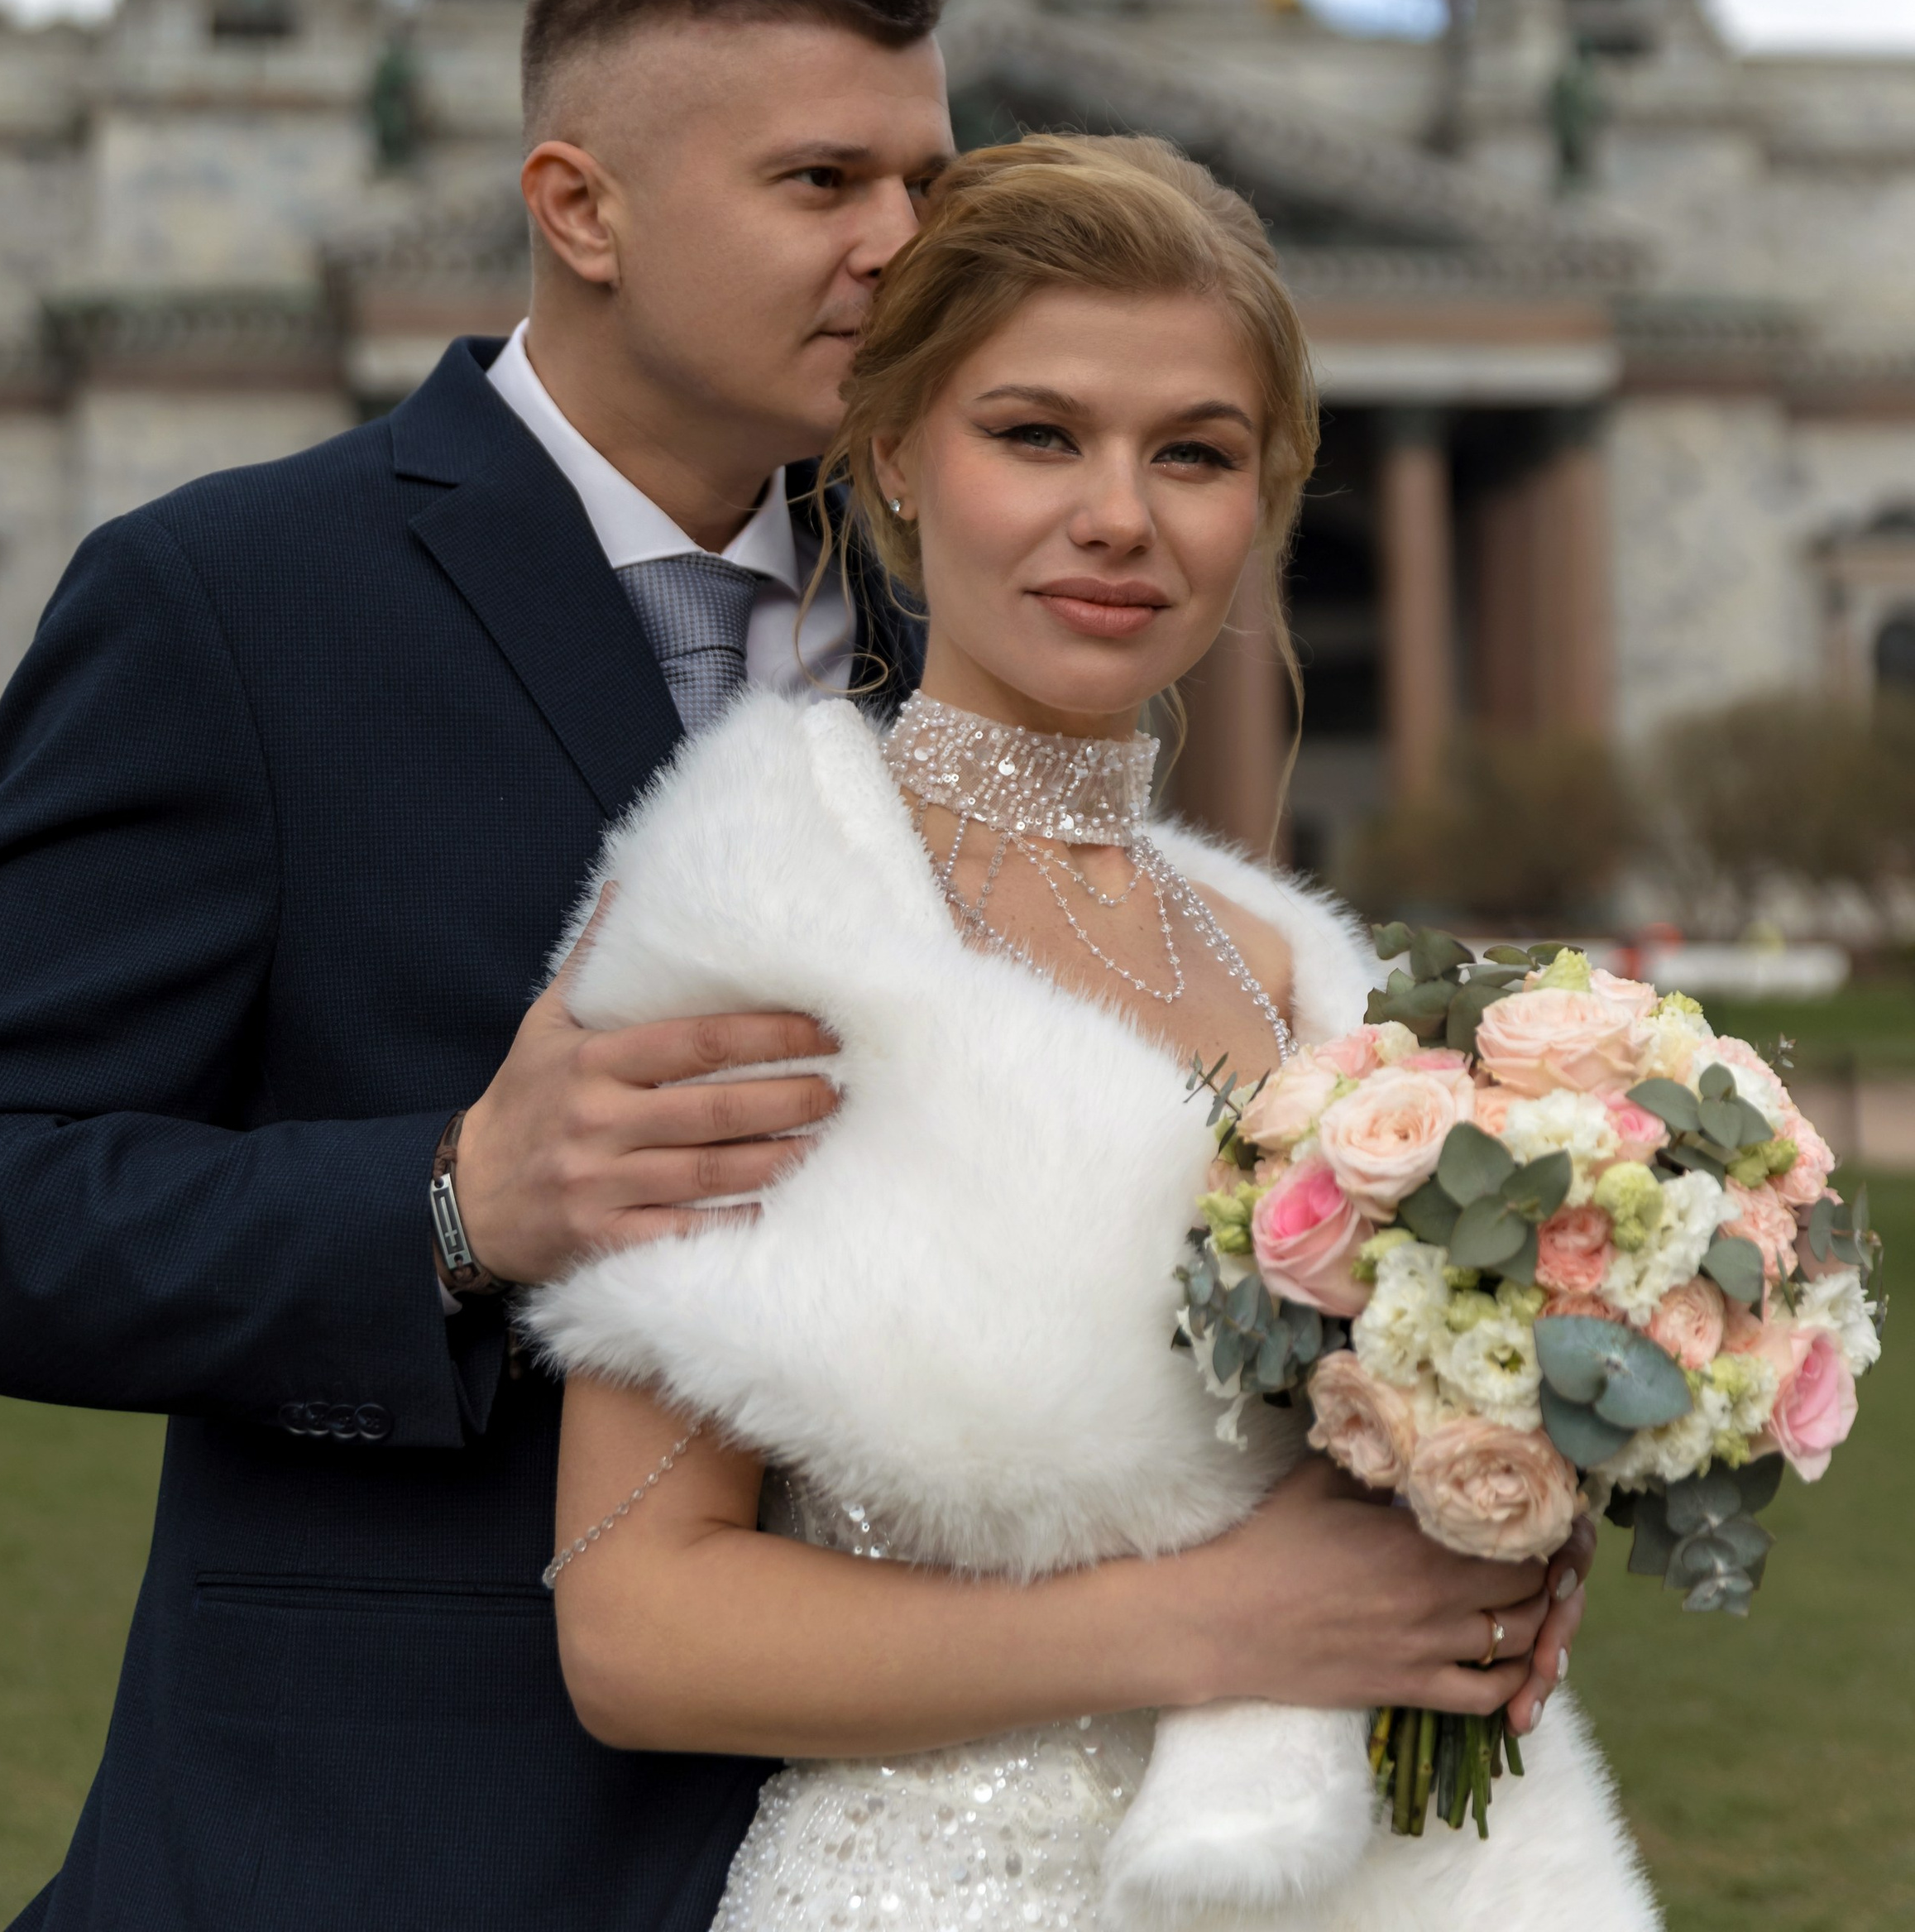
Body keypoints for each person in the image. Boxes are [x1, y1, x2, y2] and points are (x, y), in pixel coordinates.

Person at [0, 0, 1581, 1932]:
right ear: (580, 207)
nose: (902, 244)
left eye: (927, 178)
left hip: (968, 1832)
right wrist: (449, 1206)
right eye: (821, 181)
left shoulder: (996, 625)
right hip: (398, 1837)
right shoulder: (232, 602)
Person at [530, 136, 1650, 1930]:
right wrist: (1215, 1623)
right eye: (1037, 434)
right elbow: (635, 1626)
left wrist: (1488, 1550)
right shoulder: (768, 900)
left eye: (1193, 453)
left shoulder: (1303, 972)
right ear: (897, 454)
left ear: (1262, 498)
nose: (1120, 515)